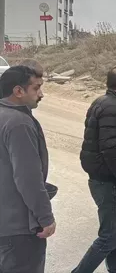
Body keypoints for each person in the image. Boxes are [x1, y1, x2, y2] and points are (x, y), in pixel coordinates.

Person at [73, 67, 116, 273]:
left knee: (115, 234)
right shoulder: (113, 107)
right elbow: (110, 147)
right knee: (110, 237)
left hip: (104, 178)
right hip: (110, 181)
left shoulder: (104, 103)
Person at [0, 66, 55, 273]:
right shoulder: (18, 123)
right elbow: (28, 178)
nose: (41, 94)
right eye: (36, 88)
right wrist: (45, 217)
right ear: (18, 91)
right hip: (18, 229)